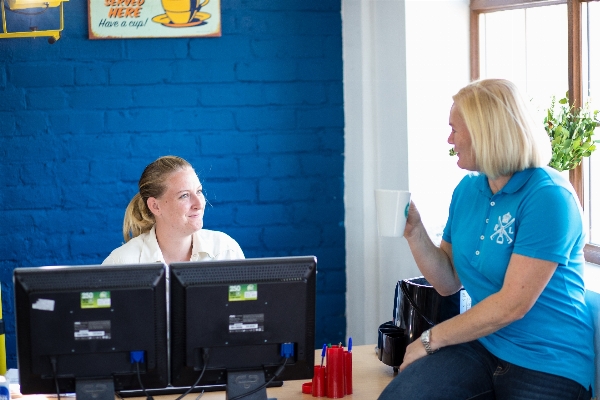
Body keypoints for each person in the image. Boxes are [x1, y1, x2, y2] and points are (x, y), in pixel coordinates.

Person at [378, 79, 594, 400]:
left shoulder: (548, 196)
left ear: (485, 132)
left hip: (548, 359)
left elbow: (512, 305)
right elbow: (449, 282)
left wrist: (430, 339)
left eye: (454, 129)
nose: (449, 139)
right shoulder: (468, 190)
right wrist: (414, 230)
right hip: (485, 345)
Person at [103, 155, 244, 265]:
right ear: (155, 206)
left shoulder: (226, 251)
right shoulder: (121, 262)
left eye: (199, 191)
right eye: (184, 195)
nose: (199, 204)